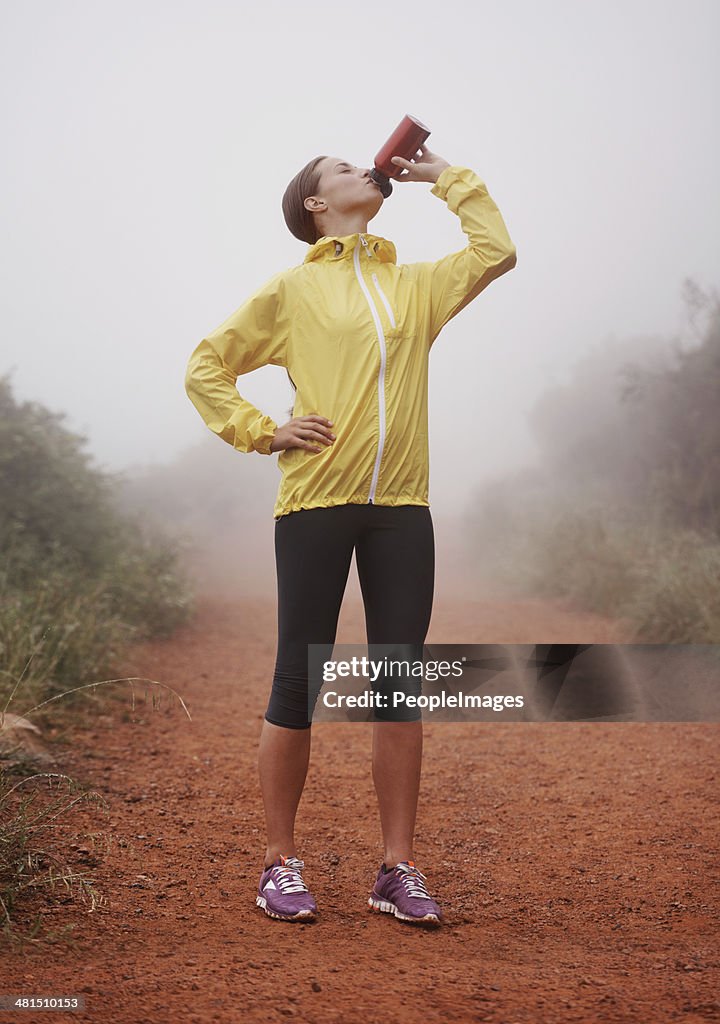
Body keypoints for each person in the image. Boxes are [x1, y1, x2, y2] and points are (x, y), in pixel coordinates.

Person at [185, 142, 517, 926]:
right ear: (314, 203)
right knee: (299, 680)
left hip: (402, 505)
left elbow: (497, 251)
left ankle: (396, 868)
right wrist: (262, 432)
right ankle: (278, 863)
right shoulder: (294, 290)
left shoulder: (416, 286)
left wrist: (445, 178)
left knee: (397, 684)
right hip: (315, 503)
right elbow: (206, 366)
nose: (357, 171)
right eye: (339, 168)